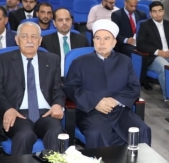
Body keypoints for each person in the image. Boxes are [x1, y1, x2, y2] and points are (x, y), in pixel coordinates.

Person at [63, 19, 151, 148]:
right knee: (96, 133)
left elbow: (134, 87)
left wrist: (115, 100)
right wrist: (96, 102)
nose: (102, 43)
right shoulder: (79, 62)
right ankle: (100, 162)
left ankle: (135, 161)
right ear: (93, 40)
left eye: (106, 38)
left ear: (114, 42)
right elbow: (71, 88)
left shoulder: (124, 61)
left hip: (120, 111)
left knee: (142, 130)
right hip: (91, 112)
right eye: (98, 38)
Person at [0, 22, 66, 156]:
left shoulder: (52, 59)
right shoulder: (3, 60)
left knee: (55, 132)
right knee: (25, 135)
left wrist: (57, 104)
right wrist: (8, 108)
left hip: (46, 113)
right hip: (17, 113)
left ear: (40, 40)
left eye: (34, 37)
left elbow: (58, 89)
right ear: (17, 40)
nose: (29, 41)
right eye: (24, 36)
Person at [136, 1, 169, 106]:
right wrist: (158, 52)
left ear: (163, 11)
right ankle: (168, 98)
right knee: (165, 67)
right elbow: (140, 45)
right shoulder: (145, 25)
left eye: (160, 11)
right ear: (150, 13)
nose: (158, 14)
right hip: (153, 57)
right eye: (154, 12)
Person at [41, 8, 89, 77]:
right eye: (60, 20)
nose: (64, 23)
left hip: (77, 79)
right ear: (54, 23)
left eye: (67, 19)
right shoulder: (45, 41)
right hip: (54, 79)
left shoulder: (82, 40)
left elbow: (87, 63)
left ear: (71, 21)